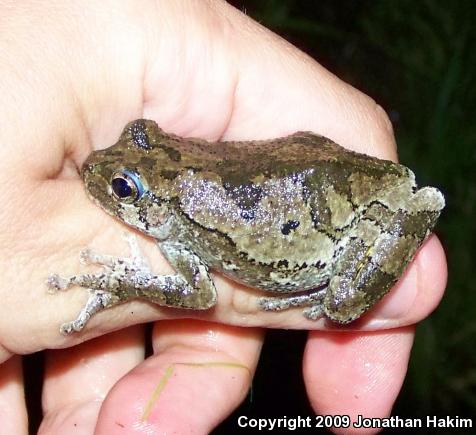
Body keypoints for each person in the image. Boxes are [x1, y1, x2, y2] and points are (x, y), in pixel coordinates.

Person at [0, 1, 447, 433]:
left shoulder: (180, 221)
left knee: (342, 301)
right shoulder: (181, 198)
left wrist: (125, 279)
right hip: (314, 178)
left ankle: (336, 284)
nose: (96, 170)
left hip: (339, 220)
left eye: (124, 191)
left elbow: (199, 294)